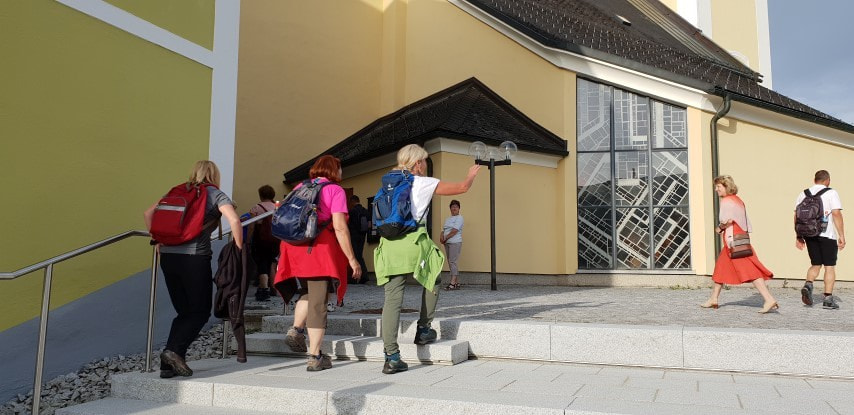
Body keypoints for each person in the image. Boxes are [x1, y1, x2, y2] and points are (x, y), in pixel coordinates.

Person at [374, 144, 480, 374]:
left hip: (389, 245)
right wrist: (471, 175)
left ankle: (391, 357)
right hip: (414, 241)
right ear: (417, 163)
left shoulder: (387, 183)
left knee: (392, 299)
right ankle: (423, 329)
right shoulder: (422, 182)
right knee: (434, 278)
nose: (424, 164)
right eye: (423, 160)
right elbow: (461, 188)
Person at [143, 160, 243, 378]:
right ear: (214, 175)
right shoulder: (215, 194)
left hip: (168, 256)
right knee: (200, 312)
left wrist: (157, 239)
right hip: (194, 258)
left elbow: (148, 213)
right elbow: (235, 221)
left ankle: (168, 366)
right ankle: (173, 351)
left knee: (184, 312)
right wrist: (238, 249)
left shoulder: (177, 191)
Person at [273, 155, 362, 371]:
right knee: (319, 303)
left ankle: (296, 330)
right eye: (340, 168)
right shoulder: (334, 190)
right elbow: (339, 227)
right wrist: (352, 259)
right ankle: (315, 356)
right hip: (318, 250)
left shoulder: (300, 186)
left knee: (307, 291)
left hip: (294, 248)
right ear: (334, 170)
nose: (341, 172)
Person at [702, 175, 778, 313]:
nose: (716, 189)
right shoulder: (738, 200)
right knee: (720, 268)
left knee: (750, 270)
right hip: (739, 237)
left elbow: (727, 221)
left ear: (726, 187)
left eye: (718, 187)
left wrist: (719, 228)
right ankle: (714, 298)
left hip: (733, 241)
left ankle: (769, 299)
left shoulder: (727, 201)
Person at [796, 170, 845, 309]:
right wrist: (841, 235)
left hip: (809, 234)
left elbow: (797, 216)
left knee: (815, 264)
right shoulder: (831, 193)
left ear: (814, 180)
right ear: (827, 180)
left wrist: (798, 236)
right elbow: (836, 213)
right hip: (826, 234)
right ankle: (828, 299)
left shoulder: (803, 194)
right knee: (829, 266)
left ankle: (808, 284)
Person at [248, 185, 277, 301]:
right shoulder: (277, 207)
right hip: (275, 239)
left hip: (261, 240)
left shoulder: (256, 208)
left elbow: (251, 226)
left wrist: (248, 240)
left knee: (262, 263)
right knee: (272, 262)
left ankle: (264, 289)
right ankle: (273, 287)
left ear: (261, 195)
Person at [440, 199, 464, 290]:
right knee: (451, 262)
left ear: (459, 209)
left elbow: (454, 231)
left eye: (456, 207)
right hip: (447, 243)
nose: (454, 208)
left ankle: (452, 283)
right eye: (452, 207)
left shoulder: (460, 218)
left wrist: (445, 238)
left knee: (452, 262)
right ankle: (457, 283)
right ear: (450, 208)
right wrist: (441, 237)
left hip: (455, 242)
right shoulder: (448, 219)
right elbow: (443, 230)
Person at [347, 195, 370, 284]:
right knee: (359, 255)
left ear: (352, 201)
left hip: (353, 236)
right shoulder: (365, 211)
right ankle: (364, 276)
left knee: (354, 256)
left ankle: (356, 277)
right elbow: (369, 224)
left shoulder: (352, 211)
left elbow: (348, 223)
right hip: (362, 236)